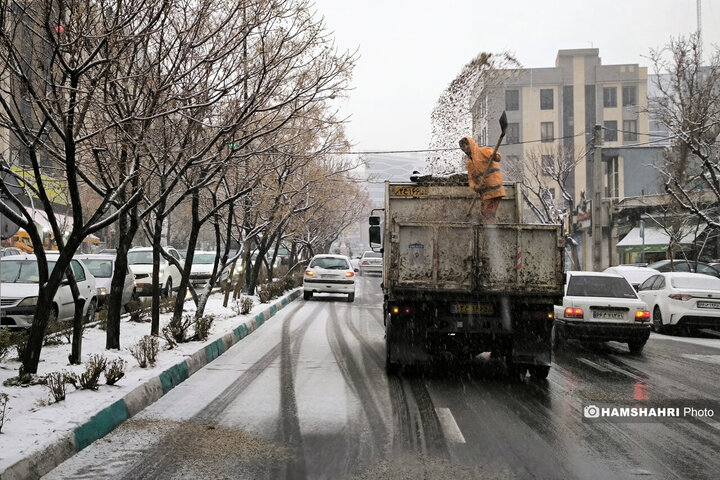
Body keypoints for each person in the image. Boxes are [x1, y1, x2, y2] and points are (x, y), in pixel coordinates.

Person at [459, 136, 505, 223]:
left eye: (466, 145)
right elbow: (471, 179)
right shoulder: (469, 164)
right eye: (463, 148)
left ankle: (491, 233)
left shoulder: (483, 151)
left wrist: (495, 156)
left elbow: (498, 157)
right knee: (485, 213)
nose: (465, 149)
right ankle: (489, 230)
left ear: (471, 144)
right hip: (485, 193)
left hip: (495, 190)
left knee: (488, 214)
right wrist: (475, 187)